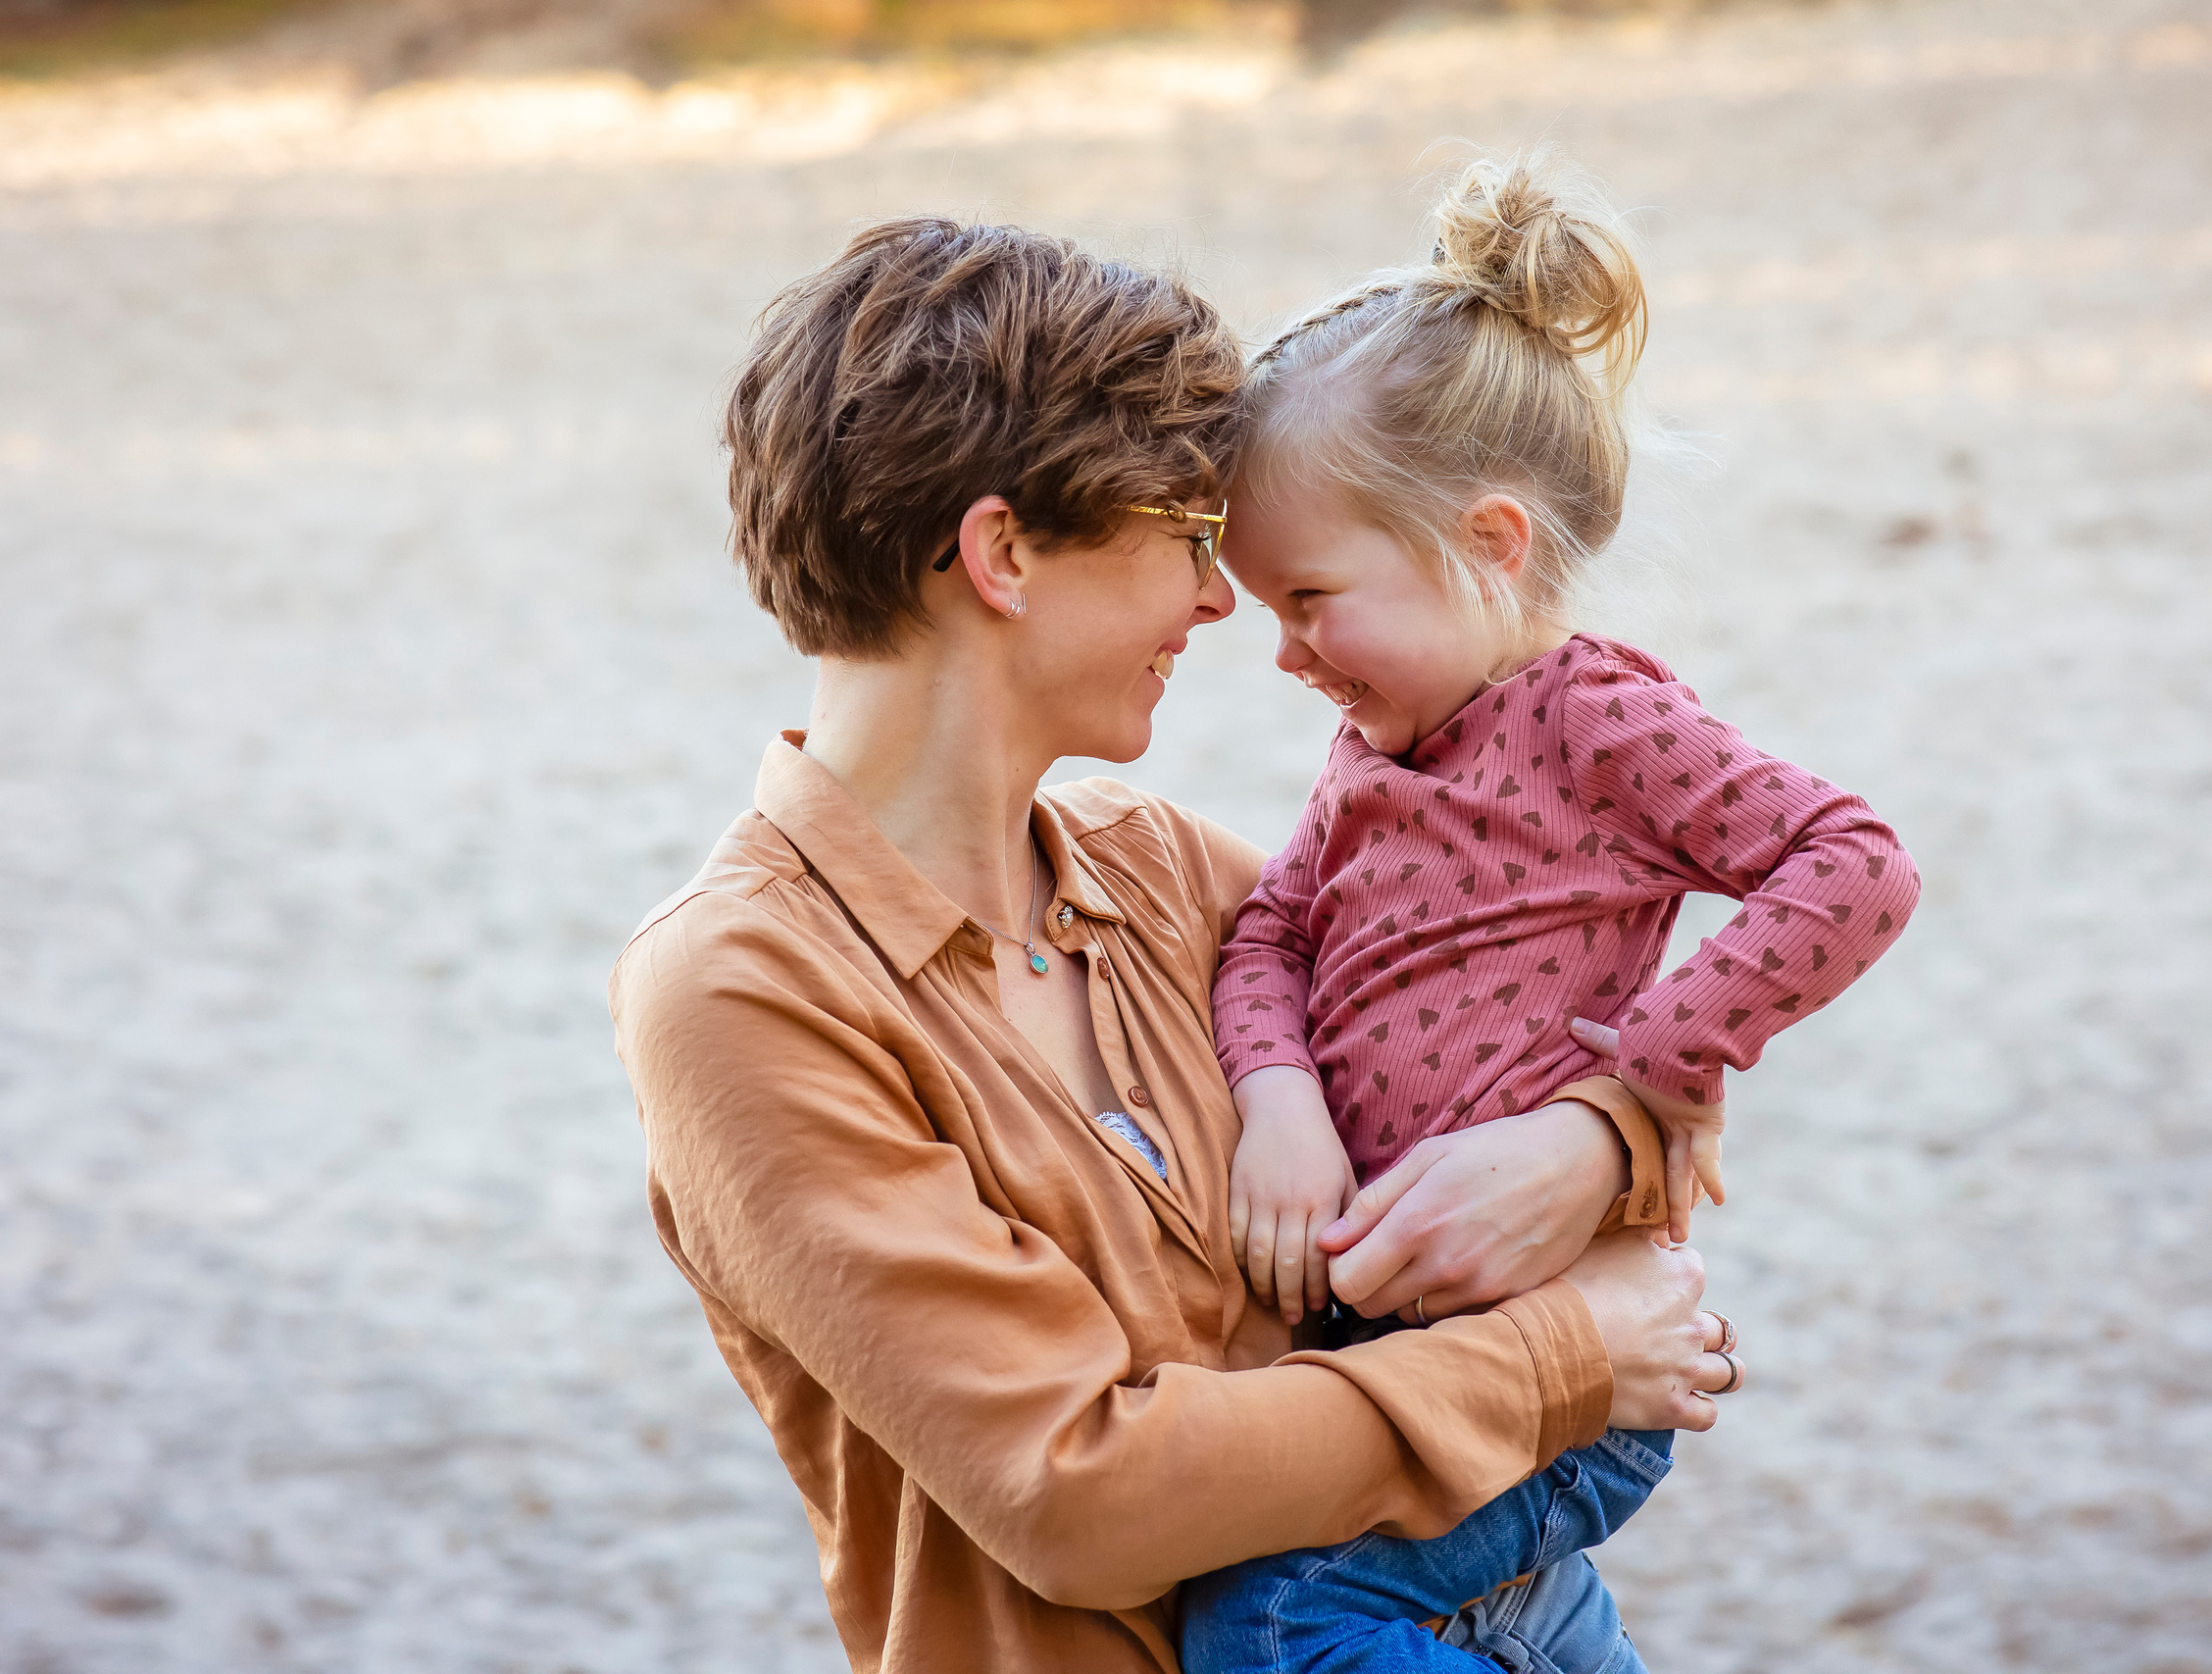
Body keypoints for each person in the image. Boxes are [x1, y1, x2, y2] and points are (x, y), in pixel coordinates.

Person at [608, 213, 1740, 1672]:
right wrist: (1571, 1354)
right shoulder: (743, 989)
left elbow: (1547, 1059)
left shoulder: (1171, 876)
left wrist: (1590, 1146)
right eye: (1190, 542)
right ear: (1004, 553)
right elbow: (1075, 1494)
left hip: (1531, 1623)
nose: (1220, 601)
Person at [1181, 153, 1922, 1671]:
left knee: (1273, 1620)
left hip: (1569, 1366)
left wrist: (1636, 1082)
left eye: (1311, 600)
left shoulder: (1595, 720)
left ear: (1492, 544)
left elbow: (1852, 865)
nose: (1286, 655)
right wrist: (1280, 1097)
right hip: (1403, 1346)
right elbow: (1270, 934)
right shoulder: (1370, 750)